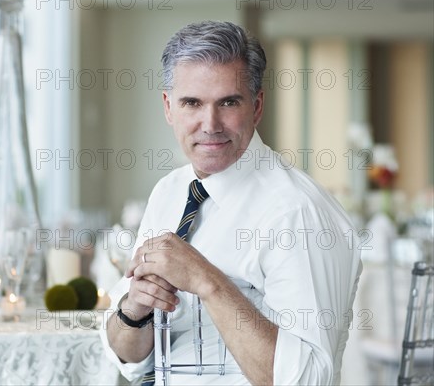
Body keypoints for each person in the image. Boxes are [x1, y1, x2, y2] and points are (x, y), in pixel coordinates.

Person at [100, 21, 362, 385]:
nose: (210, 124)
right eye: (192, 103)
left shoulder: (297, 213)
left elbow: (307, 379)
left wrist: (207, 281)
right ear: (168, 107)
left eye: (228, 102)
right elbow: (127, 356)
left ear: (256, 106)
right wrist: (134, 311)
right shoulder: (169, 192)